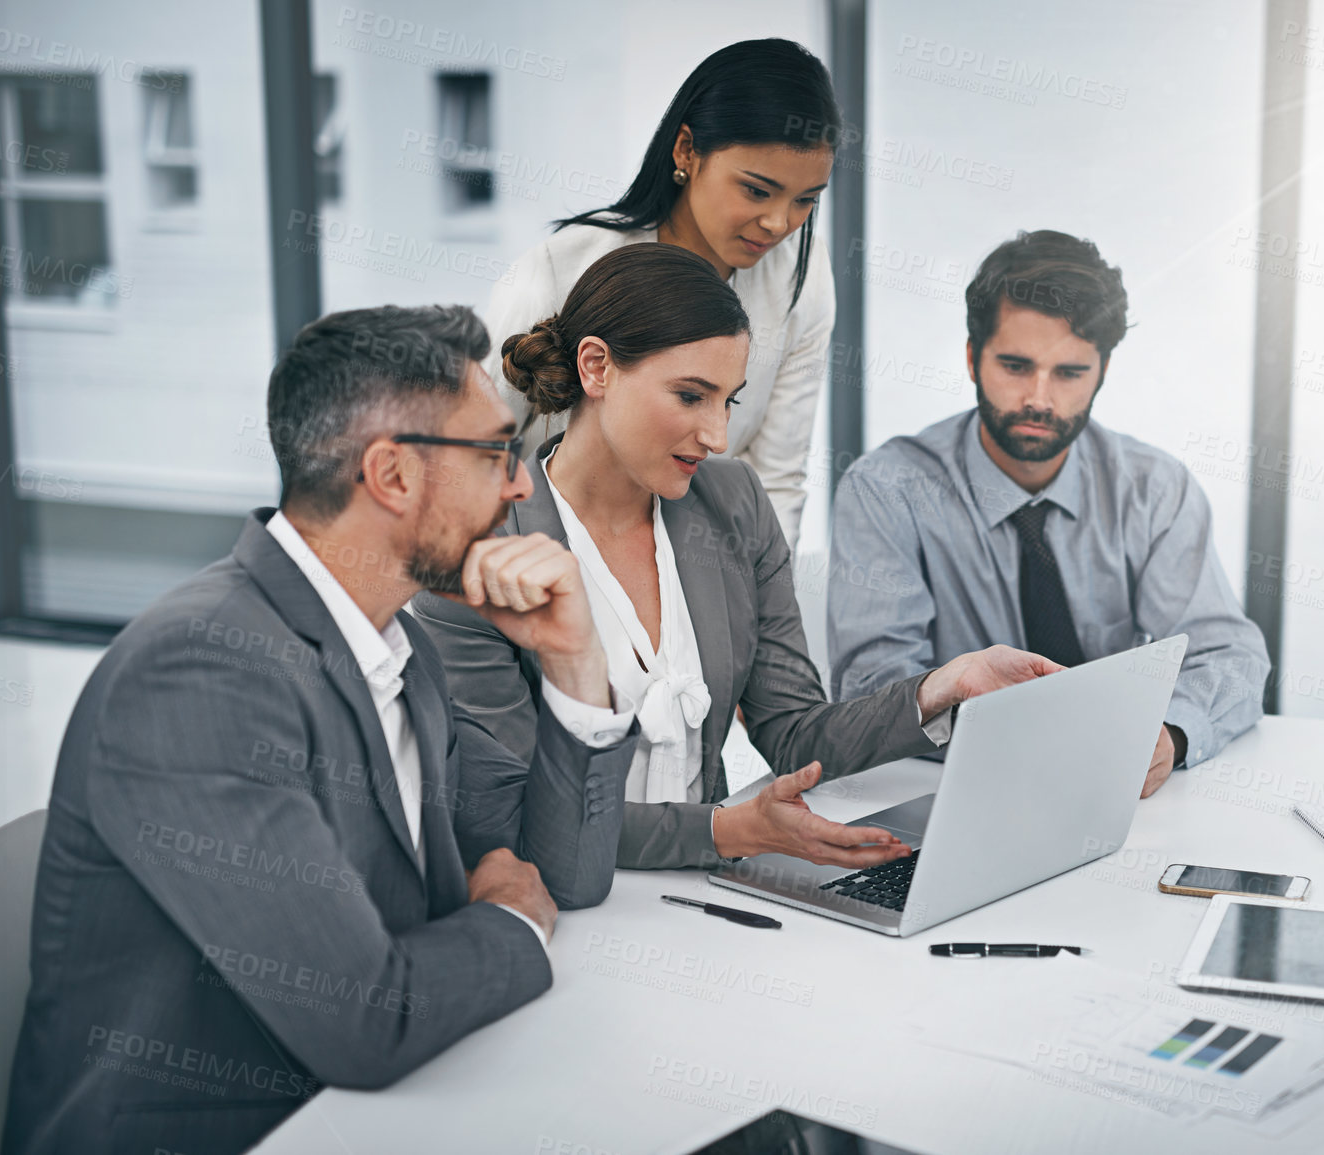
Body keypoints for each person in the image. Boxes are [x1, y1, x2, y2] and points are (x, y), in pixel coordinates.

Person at [3, 307, 639, 1155]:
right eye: (496, 454)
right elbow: (368, 1021)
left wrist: (573, 655)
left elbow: (564, 870)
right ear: (392, 475)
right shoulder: (202, 670)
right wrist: (513, 924)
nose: (522, 486)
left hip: (370, 1111)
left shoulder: (396, 644)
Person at [415, 244, 1059, 872]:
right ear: (597, 368)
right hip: (564, 905)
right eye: (691, 397)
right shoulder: (481, 550)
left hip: (714, 892)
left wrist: (941, 686)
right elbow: (517, 816)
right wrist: (725, 830)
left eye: (729, 401)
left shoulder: (731, 502)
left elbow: (796, 731)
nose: (717, 435)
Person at [828, 230, 1271, 798]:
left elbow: (1231, 657)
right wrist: (1015, 737)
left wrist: (1169, 735)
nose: (1039, 399)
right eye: (1015, 366)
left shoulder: (1154, 489)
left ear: (1103, 371)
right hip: (954, 793)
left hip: (1117, 799)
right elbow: (872, 689)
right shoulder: (888, 489)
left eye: (1069, 373)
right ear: (971, 358)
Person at [483, 37, 841, 544]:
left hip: (697, 567)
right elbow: (473, 452)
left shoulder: (801, 279)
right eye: (756, 190)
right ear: (687, 150)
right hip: (542, 559)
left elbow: (776, 479)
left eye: (806, 199)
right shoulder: (560, 271)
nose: (779, 222)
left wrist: (759, 608)